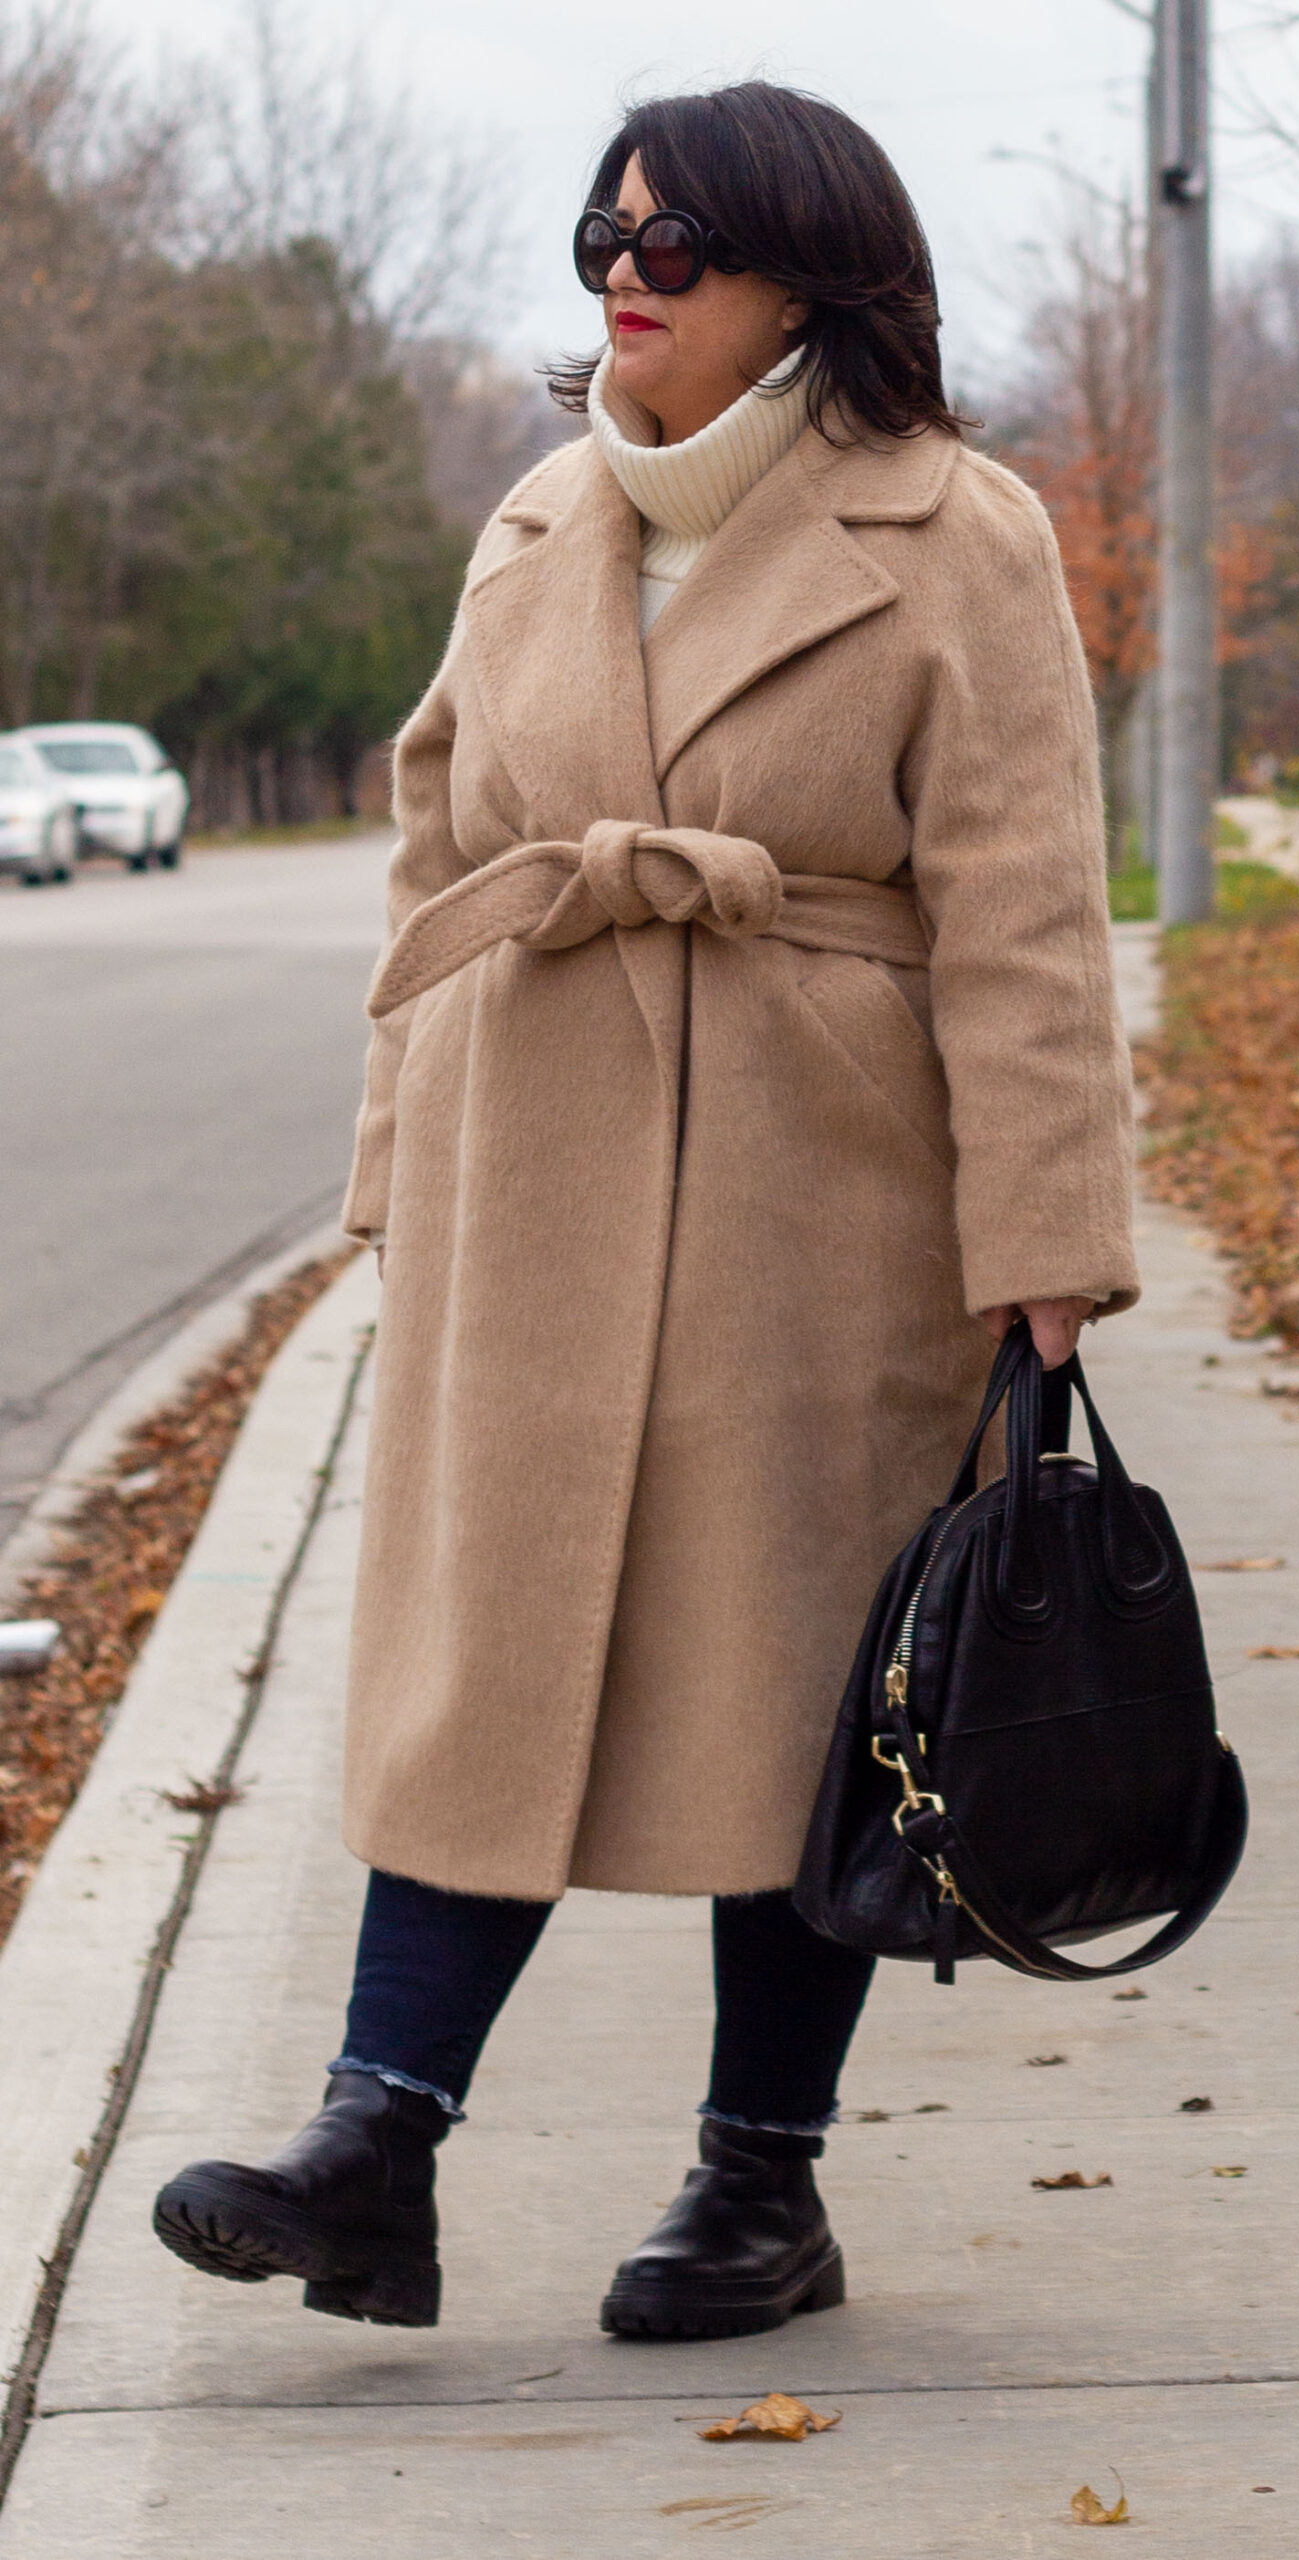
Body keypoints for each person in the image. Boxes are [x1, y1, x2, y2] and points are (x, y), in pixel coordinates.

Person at [153, 79, 1138, 2342]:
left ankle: (754, 2191)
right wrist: (402, 1168)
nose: (626, 271)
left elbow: (1023, 910)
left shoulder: (954, 528)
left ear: (808, 268)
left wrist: (1046, 1242)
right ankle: (370, 2148)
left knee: (799, 1688)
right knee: (482, 1655)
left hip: (829, 1197)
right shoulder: (534, 519)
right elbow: (432, 852)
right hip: (541, 1174)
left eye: (677, 238)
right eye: (601, 233)